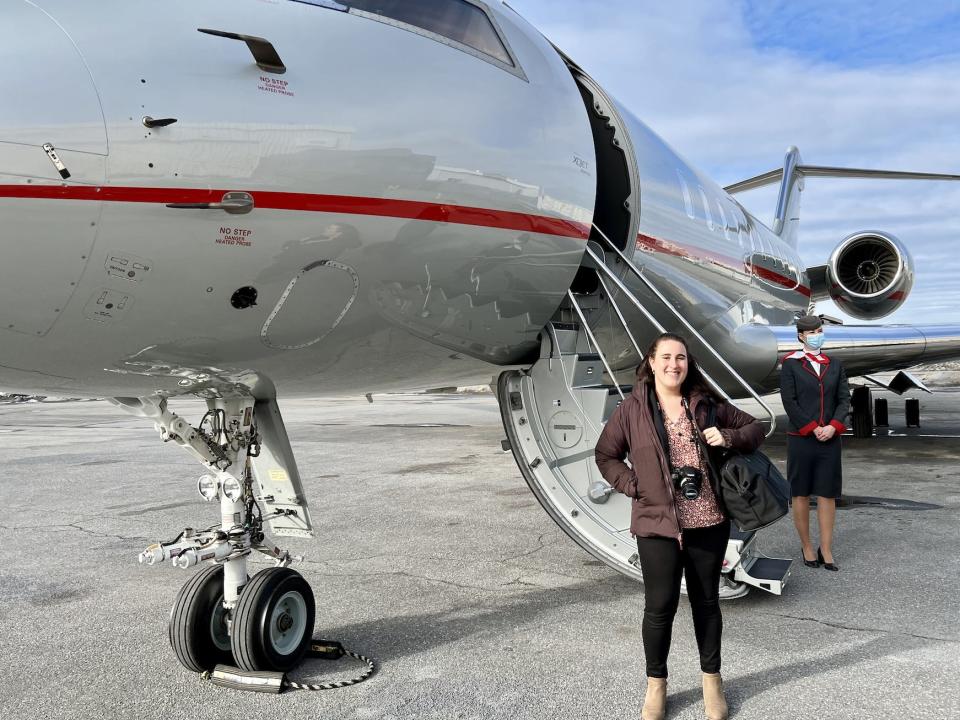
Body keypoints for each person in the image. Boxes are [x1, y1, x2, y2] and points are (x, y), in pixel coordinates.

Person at [595, 333, 764, 720]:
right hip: (657, 526)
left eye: (681, 358)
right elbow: (606, 455)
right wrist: (634, 485)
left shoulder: (705, 405)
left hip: (708, 522)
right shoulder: (631, 410)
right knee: (659, 607)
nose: (674, 364)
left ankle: (712, 683)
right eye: (666, 357)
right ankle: (656, 685)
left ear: (688, 364)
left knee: (706, 604)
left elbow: (756, 428)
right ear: (651, 363)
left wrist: (729, 435)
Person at [779, 314, 850, 572]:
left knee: (827, 493)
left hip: (830, 439)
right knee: (800, 493)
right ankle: (807, 546)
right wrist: (812, 428)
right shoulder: (790, 364)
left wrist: (833, 426)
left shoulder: (835, 364)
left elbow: (844, 400)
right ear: (801, 336)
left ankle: (826, 548)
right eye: (811, 332)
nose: (816, 334)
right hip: (801, 439)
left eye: (819, 330)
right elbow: (790, 402)